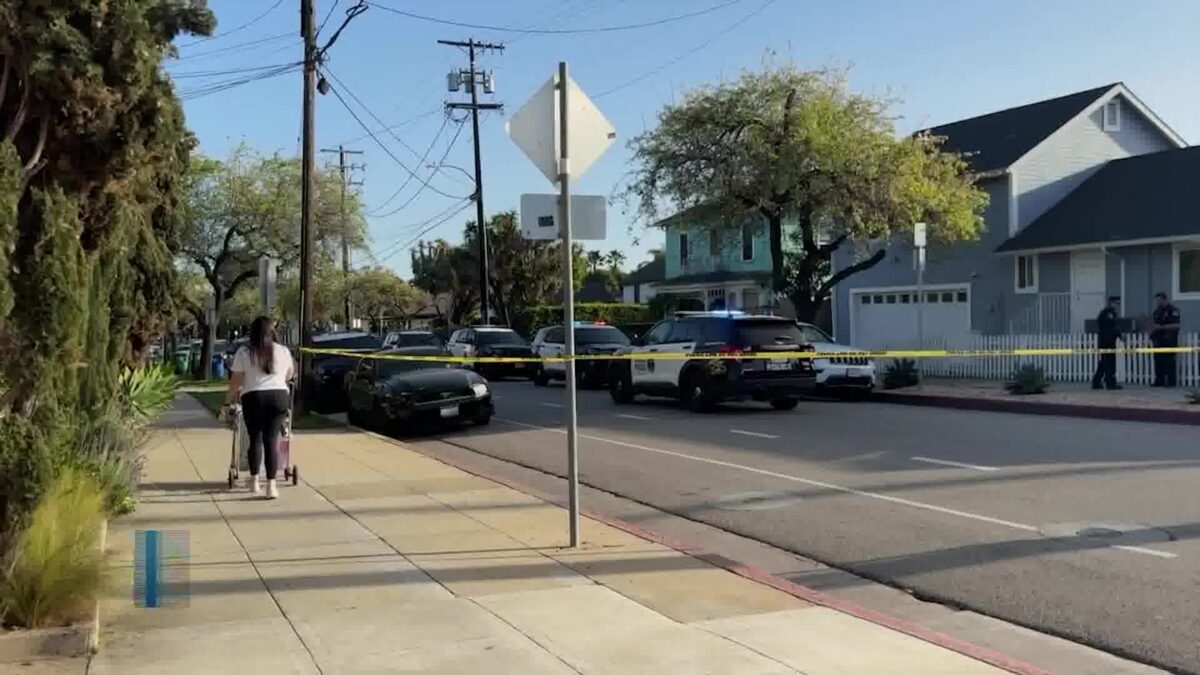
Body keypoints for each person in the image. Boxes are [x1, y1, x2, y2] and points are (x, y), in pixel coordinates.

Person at [224, 316, 295, 499]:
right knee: (271, 439)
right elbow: (289, 375)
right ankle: (271, 486)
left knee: (255, 437)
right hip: (278, 396)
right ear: (272, 331)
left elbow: (236, 381)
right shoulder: (283, 351)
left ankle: (254, 481)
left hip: (253, 397)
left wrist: (227, 401)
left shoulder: (244, 352)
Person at [1091, 296, 1123, 390]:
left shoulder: (1107, 313)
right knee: (1109, 363)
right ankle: (1110, 383)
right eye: (1117, 303)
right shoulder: (1109, 313)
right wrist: (1119, 335)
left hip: (1106, 341)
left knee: (1104, 363)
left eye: (1119, 304)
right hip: (1107, 341)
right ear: (1111, 303)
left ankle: (1097, 382)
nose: (1118, 306)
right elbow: (1111, 328)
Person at [1150, 292, 1181, 387]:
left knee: (1169, 361)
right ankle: (1159, 381)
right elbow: (1153, 324)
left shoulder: (1173, 310)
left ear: (1165, 299)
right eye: (1157, 300)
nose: (1158, 302)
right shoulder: (1157, 312)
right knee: (1158, 361)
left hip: (1169, 340)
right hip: (1158, 340)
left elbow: (1177, 325)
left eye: (1160, 300)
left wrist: (1161, 327)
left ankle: (1171, 382)